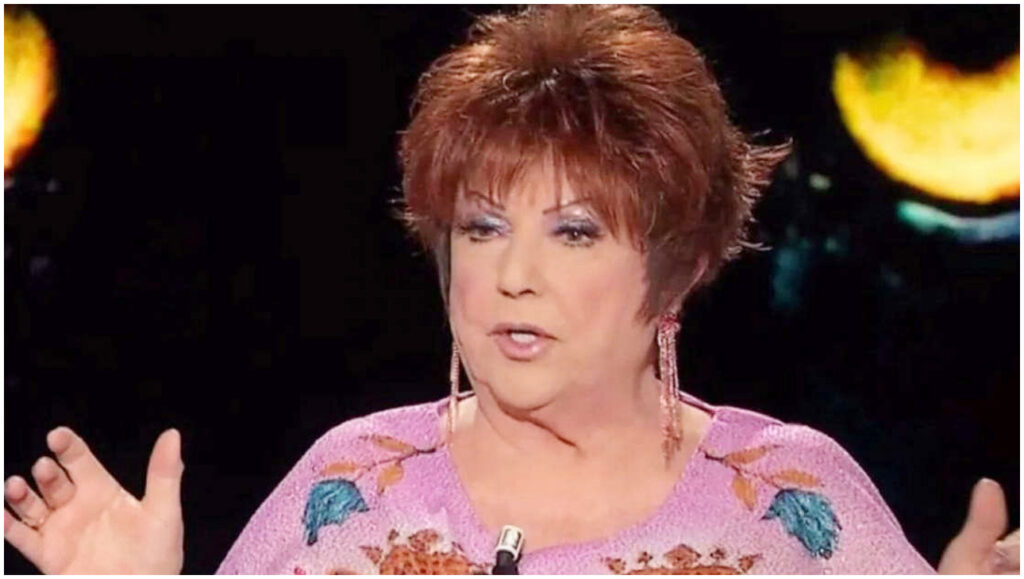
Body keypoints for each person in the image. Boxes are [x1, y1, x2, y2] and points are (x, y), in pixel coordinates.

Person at [4, 5, 1018, 575]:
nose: (512, 276)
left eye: (573, 232)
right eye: (482, 229)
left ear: (679, 262)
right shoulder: (346, 488)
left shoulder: (797, 501)